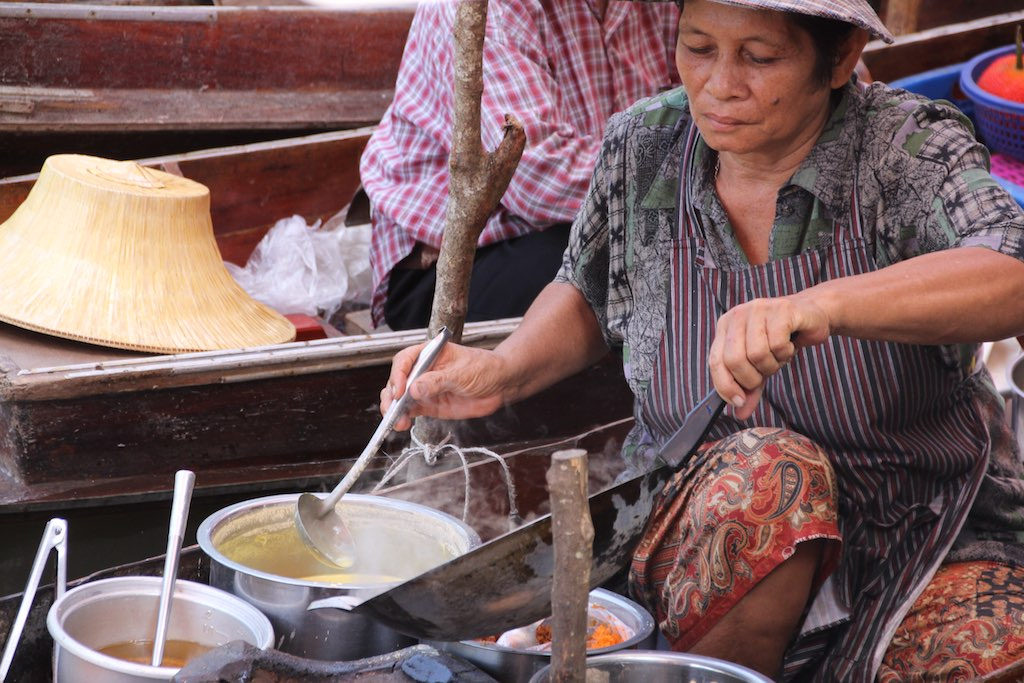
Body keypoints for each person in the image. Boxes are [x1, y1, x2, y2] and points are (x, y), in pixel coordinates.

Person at [381, 0, 1024, 680]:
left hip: (920, 536)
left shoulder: (908, 151)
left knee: (993, 641)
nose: (720, 83)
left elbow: (1009, 271)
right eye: (697, 47)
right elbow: (588, 290)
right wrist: (503, 370)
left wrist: (823, 305)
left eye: (759, 57)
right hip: (709, 538)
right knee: (773, 476)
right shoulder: (644, 145)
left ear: (841, 58)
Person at [360, 0, 681, 330]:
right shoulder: (486, 9)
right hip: (455, 267)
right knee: (637, 261)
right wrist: (685, 178)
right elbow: (534, 178)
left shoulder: (657, 7)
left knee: (674, 248)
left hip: (587, 227)